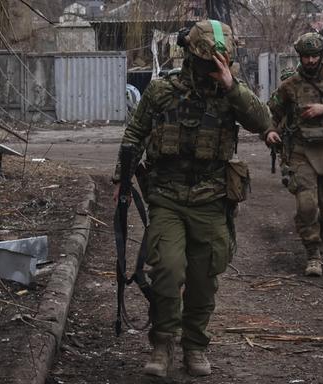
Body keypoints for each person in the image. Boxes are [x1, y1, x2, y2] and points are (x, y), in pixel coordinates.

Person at [112, 19, 271, 377]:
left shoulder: (230, 92)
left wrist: (232, 87)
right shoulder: (162, 91)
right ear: (191, 57)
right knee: (167, 270)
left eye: (221, 61)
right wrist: (121, 178)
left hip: (212, 199)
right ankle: (162, 343)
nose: (212, 69)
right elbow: (135, 133)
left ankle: (195, 346)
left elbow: (264, 121)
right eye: (207, 62)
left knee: (203, 278)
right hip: (167, 196)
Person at [265, 32, 323, 277]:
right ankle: (313, 253)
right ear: (300, 57)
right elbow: (271, 113)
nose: (310, 61)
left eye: (314, 55)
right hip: (300, 151)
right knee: (307, 206)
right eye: (306, 56)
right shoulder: (289, 86)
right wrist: (270, 132)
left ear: (321, 55)